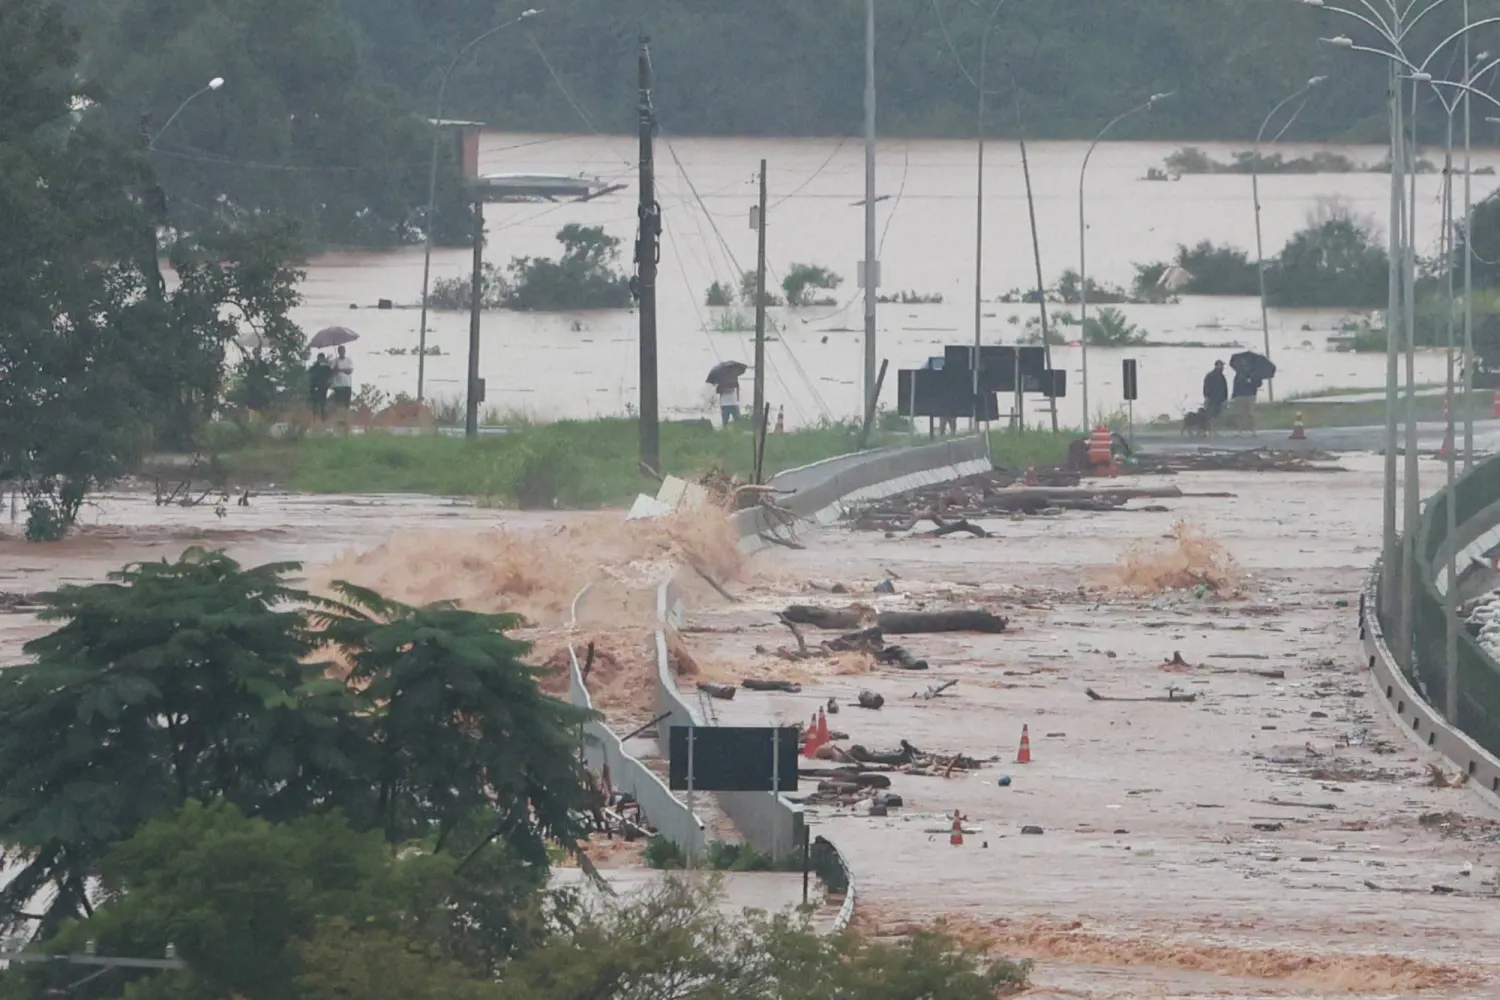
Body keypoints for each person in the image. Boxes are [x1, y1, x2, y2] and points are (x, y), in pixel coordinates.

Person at [1230, 367, 1261, 434]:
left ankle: (1253, 430)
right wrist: (1234, 394)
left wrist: (1252, 380)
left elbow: (1259, 384)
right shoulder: (1238, 374)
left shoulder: (1254, 373)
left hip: (1250, 395)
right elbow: (1235, 384)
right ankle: (1240, 430)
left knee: (1251, 414)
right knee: (1239, 414)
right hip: (1240, 395)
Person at [308, 352, 333, 420]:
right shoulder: (315, 367)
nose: (320, 359)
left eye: (321, 358)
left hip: (323, 386)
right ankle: (315, 417)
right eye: (319, 358)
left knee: (322, 403)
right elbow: (311, 374)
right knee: (315, 402)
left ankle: (322, 417)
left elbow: (330, 376)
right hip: (315, 386)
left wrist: (329, 384)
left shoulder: (326, 367)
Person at [331, 345, 355, 411]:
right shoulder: (334, 361)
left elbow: (349, 371)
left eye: (343, 351)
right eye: (340, 351)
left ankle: (345, 419)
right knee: (338, 405)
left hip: (347, 385)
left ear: (345, 351)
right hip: (338, 385)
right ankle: (339, 419)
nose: (342, 352)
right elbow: (331, 372)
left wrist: (340, 369)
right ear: (338, 352)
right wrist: (335, 369)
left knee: (346, 405)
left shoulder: (349, 360)